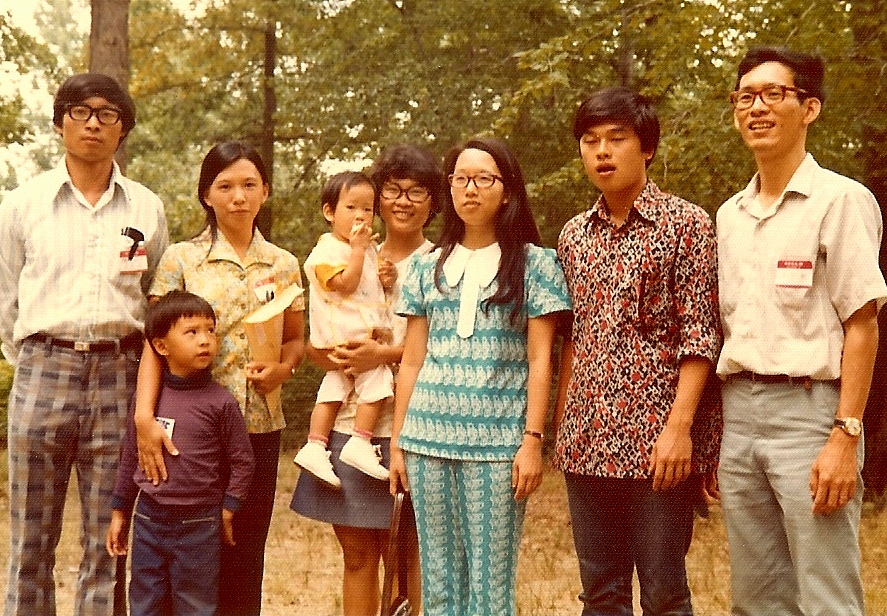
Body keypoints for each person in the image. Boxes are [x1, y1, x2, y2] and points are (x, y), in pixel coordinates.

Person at [716, 46, 887, 616]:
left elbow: (863, 325)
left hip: (811, 418)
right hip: (740, 417)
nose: (755, 107)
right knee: (756, 598)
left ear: (809, 108)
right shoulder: (730, 215)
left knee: (825, 596)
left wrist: (846, 435)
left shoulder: (840, 200)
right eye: (745, 96)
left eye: (773, 94)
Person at [0, 73, 168, 616]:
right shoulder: (21, 205)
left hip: (119, 372)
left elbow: (155, 295)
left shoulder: (146, 209)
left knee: (108, 541)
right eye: (79, 111)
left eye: (107, 113)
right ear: (59, 122)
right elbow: (4, 297)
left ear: (124, 130)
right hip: (42, 370)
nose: (93, 122)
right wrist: (33, 357)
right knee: (30, 542)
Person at [553, 86, 722, 616]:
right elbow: (575, 340)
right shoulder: (573, 236)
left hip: (659, 444)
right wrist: (563, 427)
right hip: (587, 443)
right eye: (590, 141)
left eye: (616, 139)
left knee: (665, 593)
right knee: (600, 595)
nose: (602, 152)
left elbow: (701, 337)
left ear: (645, 146)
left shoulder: (687, 225)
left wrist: (680, 430)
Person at [389, 136, 571, 616]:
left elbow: (541, 361)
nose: (471, 189)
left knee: (490, 589)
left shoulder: (536, 264)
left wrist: (533, 439)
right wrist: (398, 441)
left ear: (507, 190)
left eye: (484, 178)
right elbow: (411, 359)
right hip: (427, 438)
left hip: (498, 445)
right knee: (439, 583)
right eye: (461, 179)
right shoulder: (425, 268)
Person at [134, 141, 305, 616]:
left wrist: (283, 369)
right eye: (225, 186)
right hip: (190, 430)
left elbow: (296, 341)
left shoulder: (284, 264)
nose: (238, 196)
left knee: (244, 551)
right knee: (183, 557)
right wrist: (144, 417)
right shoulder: (182, 261)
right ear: (206, 195)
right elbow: (155, 343)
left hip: (257, 429)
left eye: (250, 184)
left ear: (265, 191)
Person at [290, 144, 440, 616]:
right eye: (392, 190)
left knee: (413, 557)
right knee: (358, 556)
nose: (403, 201)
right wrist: (334, 352)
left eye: (417, 192)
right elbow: (316, 346)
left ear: (434, 202)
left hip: (416, 424)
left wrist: (386, 353)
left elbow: (452, 351)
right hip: (350, 422)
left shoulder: (442, 261)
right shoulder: (346, 255)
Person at [106, 291, 255, 616]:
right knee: (145, 603)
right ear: (161, 346)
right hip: (149, 519)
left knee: (196, 606)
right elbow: (131, 455)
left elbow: (243, 461)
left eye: (211, 331)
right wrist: (120, 511)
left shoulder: (222, 403)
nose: (205, 341)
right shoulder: (148, 401)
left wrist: (229, 508)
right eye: (192, 332)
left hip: (200, 524)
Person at [294, 171, 394, 486]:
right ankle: (361, 442)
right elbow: (346, 285)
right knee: (378, 382)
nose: (361, 216)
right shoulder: (325, 252)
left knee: (334, 388)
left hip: (352, 336)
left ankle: (314, 444)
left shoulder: (364, 248)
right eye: (351, 207)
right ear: (329, 212)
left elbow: (369, 285)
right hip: (344, 336)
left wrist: (385, 276)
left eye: (368, 208)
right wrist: (358, 251)